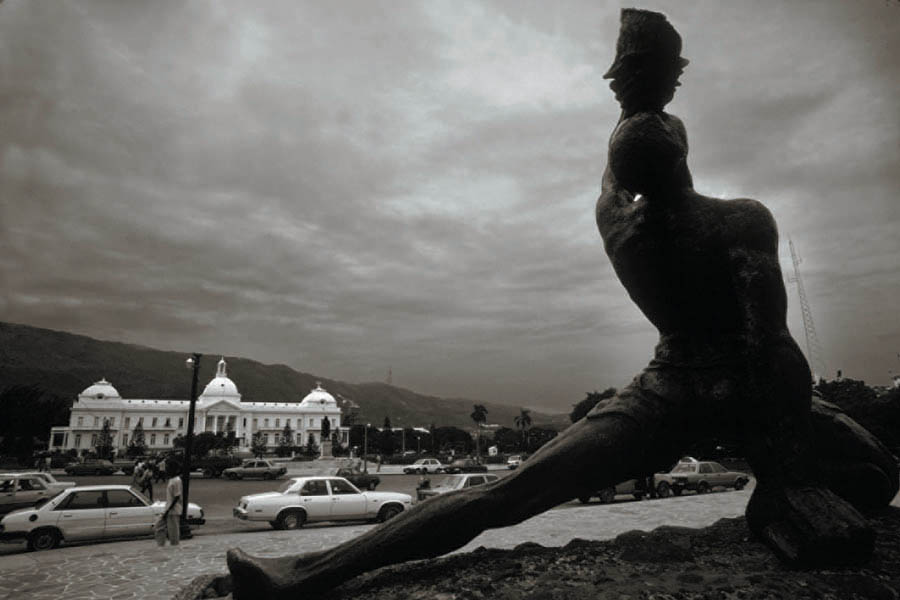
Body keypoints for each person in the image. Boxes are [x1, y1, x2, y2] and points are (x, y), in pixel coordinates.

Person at [223, 10, 897, 599]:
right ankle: (303, 577)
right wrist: (784, 476)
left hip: (669, 388)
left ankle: (305, 576)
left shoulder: (616, 222)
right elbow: (773, 351)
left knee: (504, 497)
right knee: (875, 472)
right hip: (743, 388)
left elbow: (622, 156)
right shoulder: (740, 223)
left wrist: (637, 88)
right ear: (683, 149)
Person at [156, 459, 182, 547]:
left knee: (173, 531)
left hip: (173, 510)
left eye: (168, 468)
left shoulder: (176, 480)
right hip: (168, 508)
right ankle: (161, 544)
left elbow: (177, 496)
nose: (166, 469)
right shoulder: (171, 480)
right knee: (159, 526)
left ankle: (174, 545)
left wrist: (169, 510)